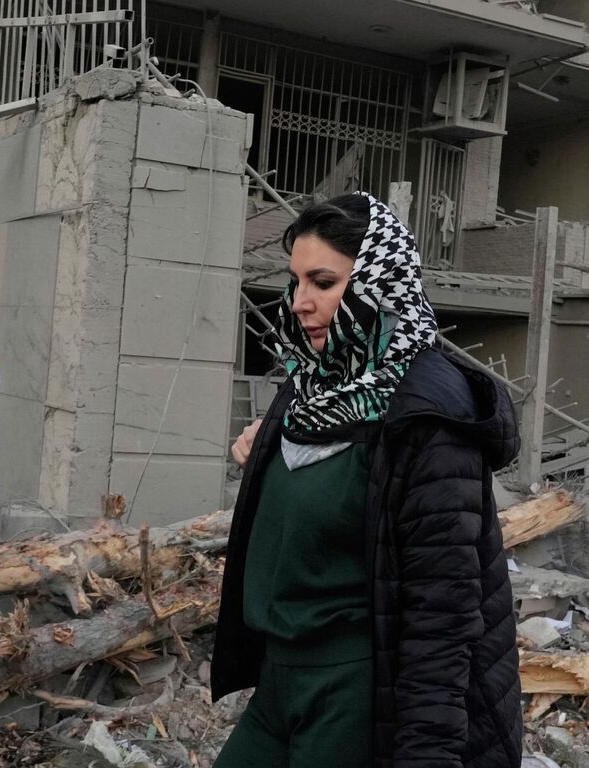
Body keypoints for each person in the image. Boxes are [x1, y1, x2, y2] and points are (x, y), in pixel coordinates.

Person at [210, 192, 524, 768]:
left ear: (380, 282)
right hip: (281, 677)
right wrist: (262, 459)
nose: (300, 302)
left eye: (323, 283)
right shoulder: (313, 386)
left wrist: (428, 755)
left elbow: (444, 610)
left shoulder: (425, 414)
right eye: (296, 281)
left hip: (357, 691)